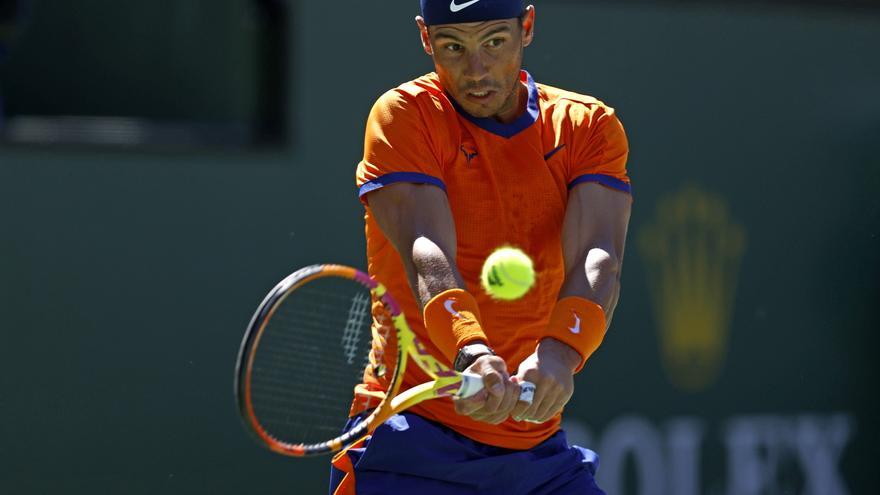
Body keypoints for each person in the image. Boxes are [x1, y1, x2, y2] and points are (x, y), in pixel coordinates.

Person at [330, 1, 631, 493]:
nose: (475, 70)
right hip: (409, 445)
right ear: (426, 39)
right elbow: (427, 252)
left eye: (494, 42)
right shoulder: (404, 116)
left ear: (526, 27)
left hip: (539, 456)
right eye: (453, 47)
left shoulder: (587, 126)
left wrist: (560, 353)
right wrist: (470, 347)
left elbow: (598, 257)